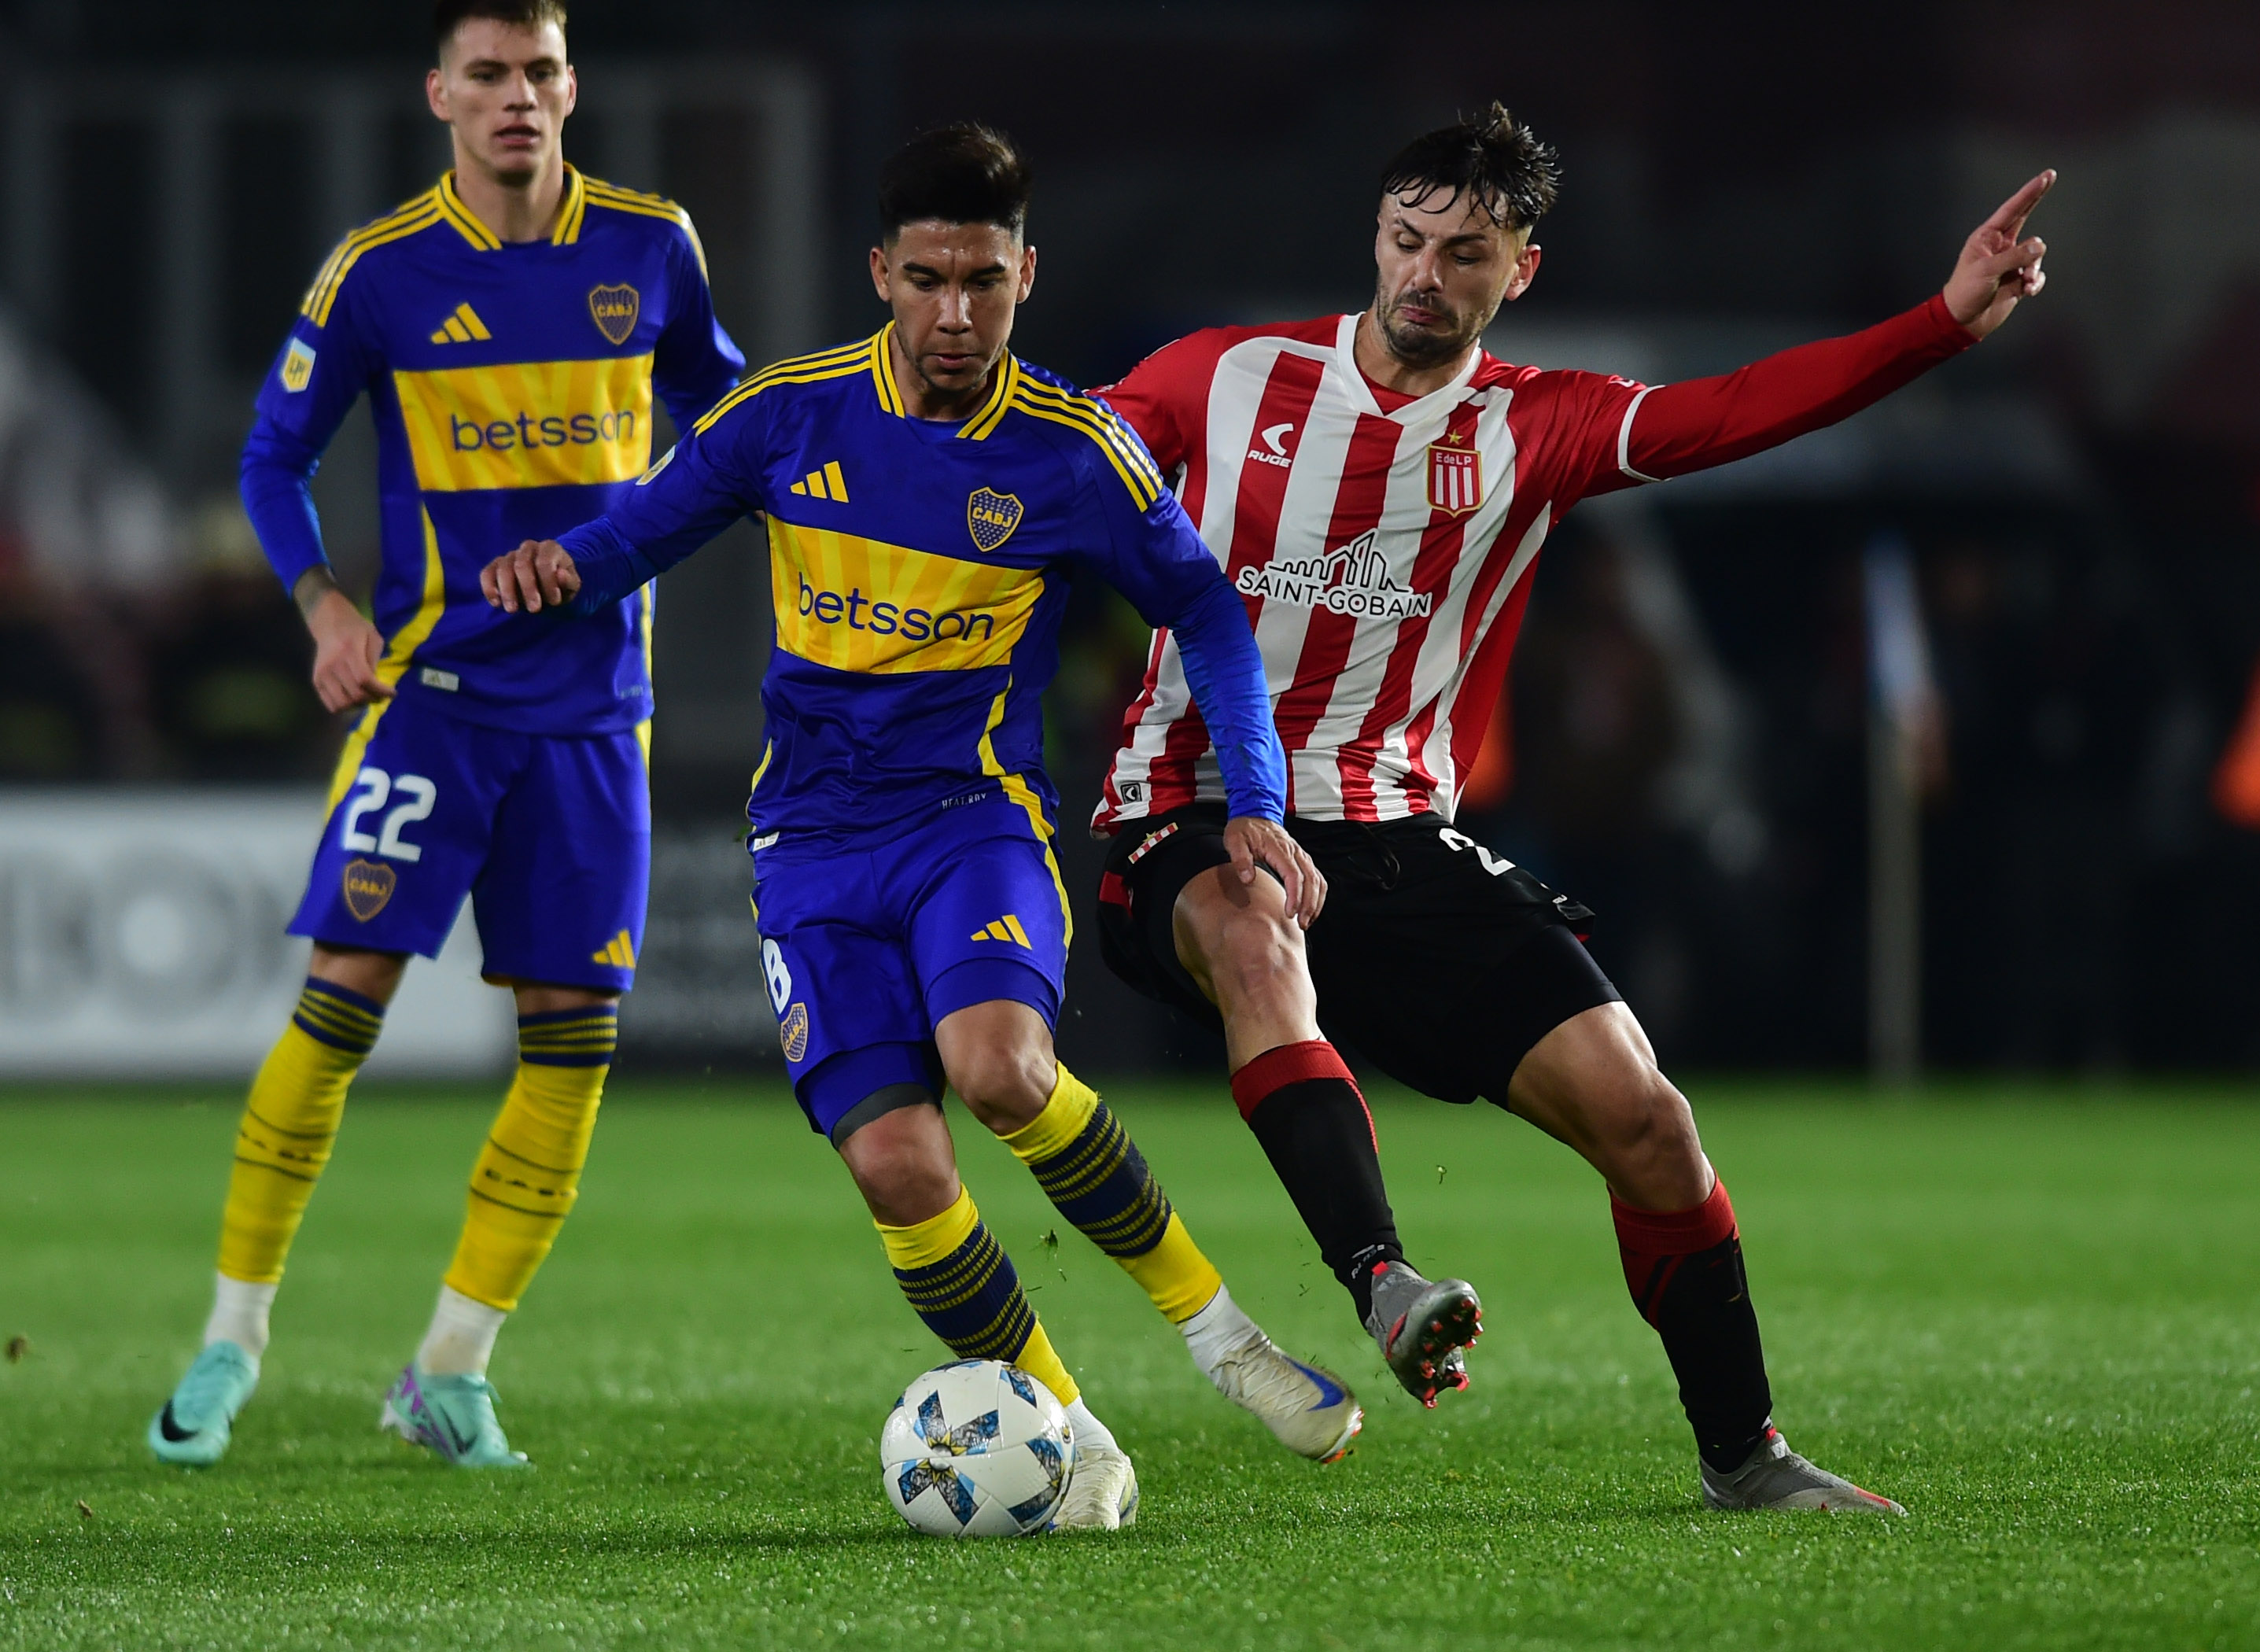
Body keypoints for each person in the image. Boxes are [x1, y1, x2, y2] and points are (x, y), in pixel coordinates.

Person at [1090, 103, 2052, 1513]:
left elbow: (1742, 410)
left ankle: (1745, 1458)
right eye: (1406, 241)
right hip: (1184, 811)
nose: (1424, 274)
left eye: (1462, 252)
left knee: (1649, 1122)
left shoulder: (1536, 425)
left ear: (1517, 269)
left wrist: (1940, 323)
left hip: (1395, 838)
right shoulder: (1216, 378)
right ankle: (1381, 1281)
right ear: (1375, 232)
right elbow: (1043, 478)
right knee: (1252, 922)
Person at [479, 123, 1361, 1530]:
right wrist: (547, 570)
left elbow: (1202, 609)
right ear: (881, 272)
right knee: (898, 1164)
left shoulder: (1079, 453)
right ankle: (1066, 1426)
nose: (958, 315)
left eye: (987, 284)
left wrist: (1252, 796)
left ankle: (1227, 1342)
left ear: (1027, 277)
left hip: (973, 818)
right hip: (811, 840)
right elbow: (634, 535)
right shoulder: (787, 413)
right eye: (931, 280)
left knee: (1002, 1067)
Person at [149, 0, 746, 1469]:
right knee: (343, 993)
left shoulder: (652, 246)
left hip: (597, 716)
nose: (517, 98)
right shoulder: (384, 271)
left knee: (571, 1044)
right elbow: (274, 451)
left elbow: (728, 423)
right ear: (440, 95)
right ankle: (231, 1339)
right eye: (487, 74)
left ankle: (448, 1370)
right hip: (434, 695)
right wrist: (323, 610)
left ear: (570, 84)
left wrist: (635, 531)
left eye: (539, 71)